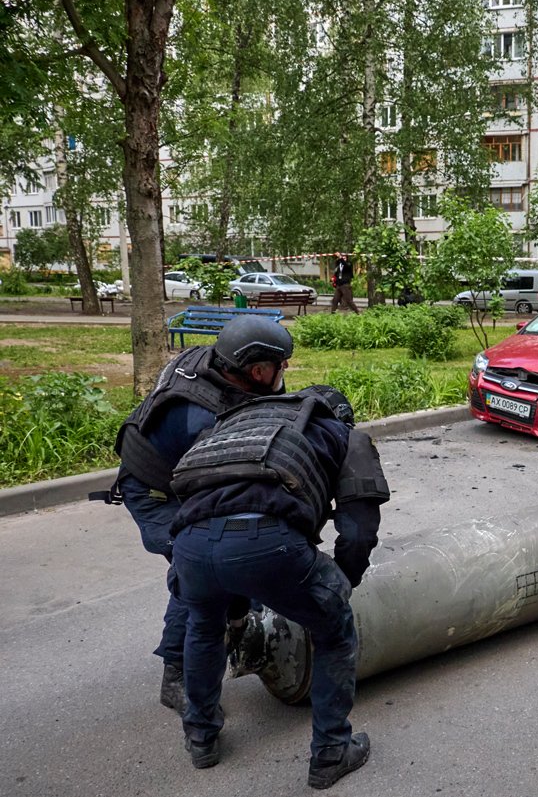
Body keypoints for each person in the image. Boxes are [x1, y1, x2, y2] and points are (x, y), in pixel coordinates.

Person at [168, 384, 390, 788]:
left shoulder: (235, 424)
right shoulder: (345, 436)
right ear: (341, 416)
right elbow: (359, 532)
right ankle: (331, 752)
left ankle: (201, 738)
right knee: (334, 631)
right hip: (266, 540)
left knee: (203, 627)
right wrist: (340, 586)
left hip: (189, 543)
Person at [109, 315, 294, 714]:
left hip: (179, 475)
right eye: (281, 365)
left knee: (234, 558)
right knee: (200, 571)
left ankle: (235, 633)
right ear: (257, 371)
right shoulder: (205, 421)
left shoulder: (220, 366)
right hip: (157, 494)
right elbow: (228, 492)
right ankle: (177, 676)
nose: (285, 371)